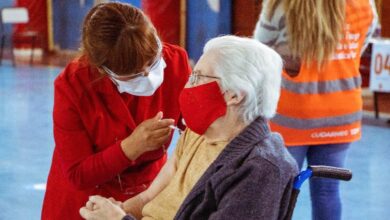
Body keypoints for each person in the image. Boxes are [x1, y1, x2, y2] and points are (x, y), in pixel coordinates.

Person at [79, 35, 299, 220]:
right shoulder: (197, 133)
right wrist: (118, 210)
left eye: (197, 77)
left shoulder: (260, 170)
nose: (187, 84)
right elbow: (148, 199)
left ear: (233, 95)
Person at [42, 2, 191, 220]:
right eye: (132, 74)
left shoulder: (176, 62)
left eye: (152, 61)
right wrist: (131, 147)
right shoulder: (73, 86)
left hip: (148, 189)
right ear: (103, 69)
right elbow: (78, 174)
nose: (149, 76)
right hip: (88, 200)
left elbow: (198, 126)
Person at [253, 0, 378, 219]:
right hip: (342, 112)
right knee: (328, 191)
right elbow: (362, 45)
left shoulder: (282, 4)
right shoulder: (364, 4)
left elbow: (260, 51)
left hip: (292, 114)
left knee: (278, 192)